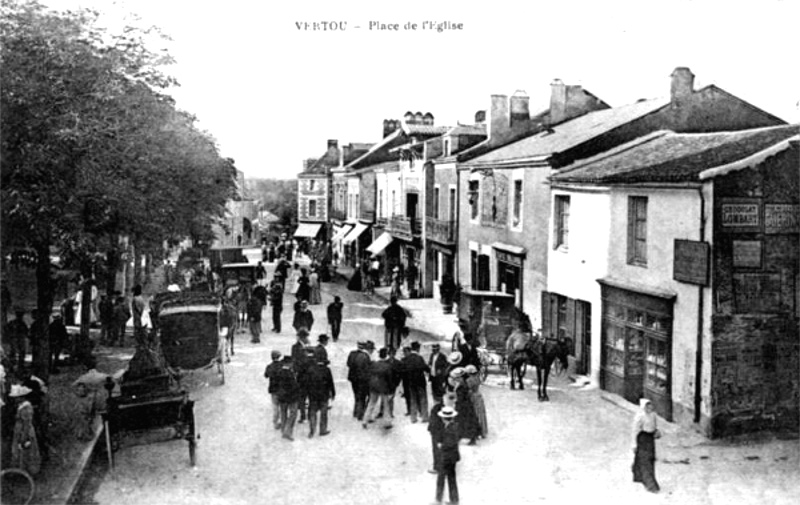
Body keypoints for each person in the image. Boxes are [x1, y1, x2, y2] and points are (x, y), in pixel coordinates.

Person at [9, 385, 41, 476]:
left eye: (16, 398)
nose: (15, 400)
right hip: (19, 430)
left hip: (25, 431)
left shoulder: (25, 408)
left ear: (21, 397)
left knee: (28, 452)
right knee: (20, 452)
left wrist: (24, 438)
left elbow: (26, 424)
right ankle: (20, 471)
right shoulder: (21, 407)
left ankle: (29, 472)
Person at [632, 398, 661, 493]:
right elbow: (635, 431)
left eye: (651, 406)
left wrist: (656, 432)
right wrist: (634, 444)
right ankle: (650, 485)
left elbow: (655, 426)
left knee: (650, 459)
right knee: (645, 460)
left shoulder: (653, 415)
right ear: (644, 407)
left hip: (650, 439)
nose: (650, 408)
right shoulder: (639, 417)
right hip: (642, 438)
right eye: (648, 406)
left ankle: (640, 476)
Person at [434, 406, 460, 505]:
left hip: (447, 457)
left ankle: (438, 499)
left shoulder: (450, 428)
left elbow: (450, 443)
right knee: (451, 478)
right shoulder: (454, 426)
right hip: (452, 457)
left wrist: (441, 445)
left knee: (441, 478)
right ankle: (454, 500)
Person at [363, 347, 395, 429]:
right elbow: (390, 379)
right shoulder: (388, 366)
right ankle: (387, 423)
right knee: (386, 405)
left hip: (374, 386)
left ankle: (365, 420)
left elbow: (369, 375)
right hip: (384, 388)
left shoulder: (374, 364)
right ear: (386, 355)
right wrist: (391, 389)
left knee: (371, 403)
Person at [448, 367, 480, 445]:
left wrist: (455, 399)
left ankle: (465, 437)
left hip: (463, 406)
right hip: (466, 405)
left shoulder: (461, 386)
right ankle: (465, 436)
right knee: (466, 421)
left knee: (463, 421)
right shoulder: (463, 384)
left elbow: (461, 397)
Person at [304, 359, 335, 438]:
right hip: (324, 395)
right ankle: (322, 430)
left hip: (313, 395)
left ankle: (312, 431)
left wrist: (306, 394)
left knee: (312, 413)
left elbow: (306, 383)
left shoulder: (310, 369)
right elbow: (330, 382)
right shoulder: (327, 370)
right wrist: (333, 393)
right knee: (323, 414)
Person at [428, 392, 457, 474]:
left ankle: (439, 467)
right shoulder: (441, 408)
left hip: (439, 432)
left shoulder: (437, 408)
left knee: (439, 449)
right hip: (438, 431)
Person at [274, 356, 300, 441]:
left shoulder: (279, 372)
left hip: (281, 397)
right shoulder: (290, 373)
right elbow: (294, 386)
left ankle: (283, 430)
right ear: (289, 363)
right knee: (293, 414)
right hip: (291, 397)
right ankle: (287, 432)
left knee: (283, 414)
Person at [403, 341, 430, 423]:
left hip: (411, 382)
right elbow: (426, 368)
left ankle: (413, 418)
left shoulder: (407, 358)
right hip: (420, 382)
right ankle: (424, 417)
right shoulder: (419, 358)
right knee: (422, 399)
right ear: (418, 348)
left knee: (413, 399)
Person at [346, 341, 373, 421]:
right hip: (362, 379)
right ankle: (360, 414)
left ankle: (356, 412)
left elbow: (348, 364)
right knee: (362, 396)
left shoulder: (352, 353)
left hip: (353, 378)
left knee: (356, 396)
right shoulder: (365, 356)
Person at [291, 329, 312, 423]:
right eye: (305, 336)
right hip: (302, 375)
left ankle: (308, 415)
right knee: (302, 396)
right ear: (301, 337)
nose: (307, 338)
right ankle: (303, 416)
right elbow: (294, 361)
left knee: (309, 396)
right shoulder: (295, 347)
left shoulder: (309, 347)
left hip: (309, 375)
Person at [464, 364, 488, 439]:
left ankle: (476, 431)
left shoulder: (469, 380)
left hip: (473, 397)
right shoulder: (477, 378)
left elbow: (468, 389)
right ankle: (483, 431)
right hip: (479, 395)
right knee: (481, 413)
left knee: (475, 414)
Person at [263, 350, 283, 430]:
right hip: (282, 389)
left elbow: (266, 375)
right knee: (282, 406)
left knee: (275, 407)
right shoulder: (282, 365)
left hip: (273, 389)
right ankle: (283, 421)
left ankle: (275, 423)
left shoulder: (269, 366)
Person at [7, 309, 28, 374]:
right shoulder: (22, 323)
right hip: (18, 340)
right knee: (19, 355)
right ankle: (18, 368)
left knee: (15, 354)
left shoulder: (12, 323)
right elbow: (26, 332)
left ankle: (14, 368)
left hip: (15, 340)